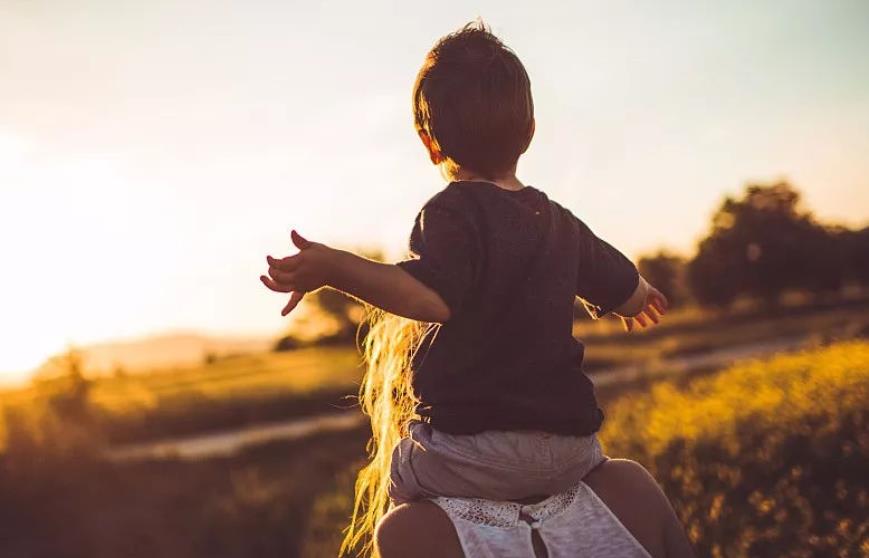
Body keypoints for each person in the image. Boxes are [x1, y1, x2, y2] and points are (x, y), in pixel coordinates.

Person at [261, 21, 687, 557]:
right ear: (529, 132)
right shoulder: (558, 220)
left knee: (396, 475)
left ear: (428, 142)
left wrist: (336, 268)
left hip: (477, 456)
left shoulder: (452, 211)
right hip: (573, 449)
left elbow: (429, 298)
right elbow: (621, 283)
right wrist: (641, 295)